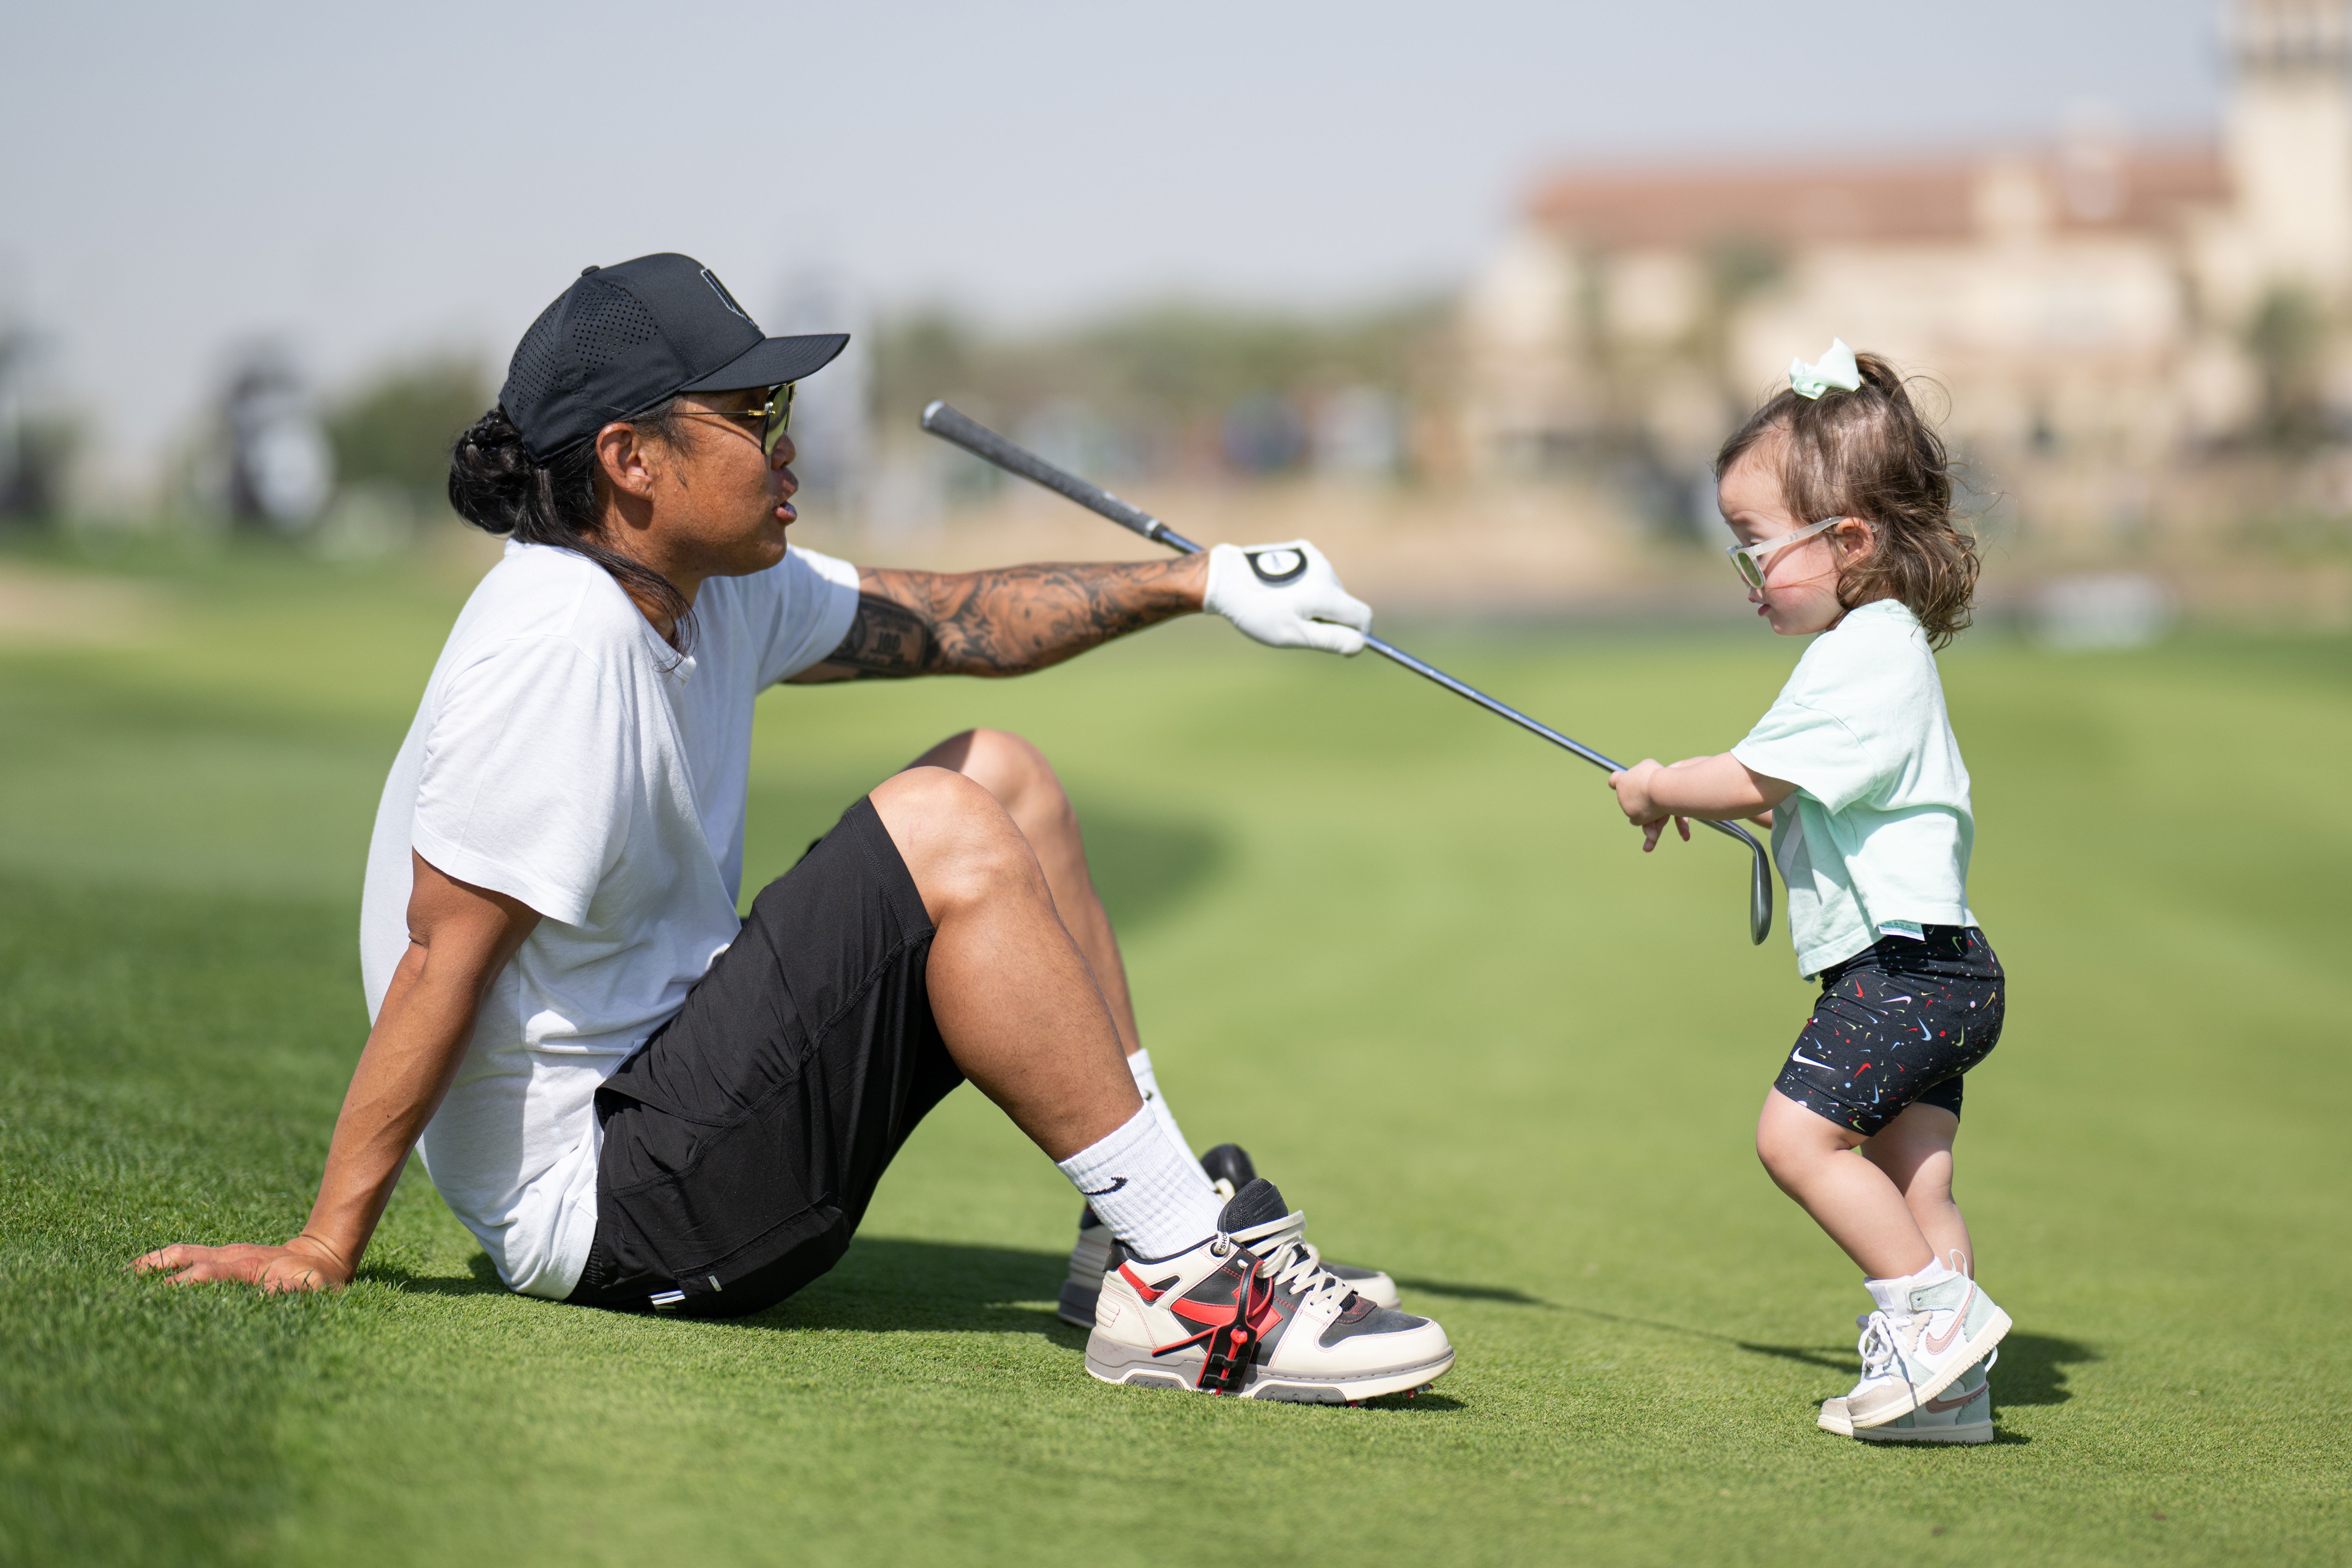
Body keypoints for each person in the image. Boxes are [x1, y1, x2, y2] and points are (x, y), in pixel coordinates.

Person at [133, 252, 1453, 1405]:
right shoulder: (562, 637)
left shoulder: (699, 586)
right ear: (630, 461)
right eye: (754, 411)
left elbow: (949, 623)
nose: (787, 444)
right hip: (608, 1205)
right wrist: (324, 1241)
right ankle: (1195, 1289)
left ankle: (1140, 1234)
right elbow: (440, 959)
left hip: (680, 1105)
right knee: (943, 823)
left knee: (1006, 778)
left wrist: (1203, 579)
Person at [1606, 340, 2009, 1443]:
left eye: (1753, 547)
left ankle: (1934, 1324)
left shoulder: (1862, 654)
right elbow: (1796, 797)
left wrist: (1654, 787)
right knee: (1916, 1189)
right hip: (1943, 973)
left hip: (1901, 975)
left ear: (1849, 541)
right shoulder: (1878, 650)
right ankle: (1951, 1394)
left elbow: (1750, 775)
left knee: (1795, 1143)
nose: (1744, 576)